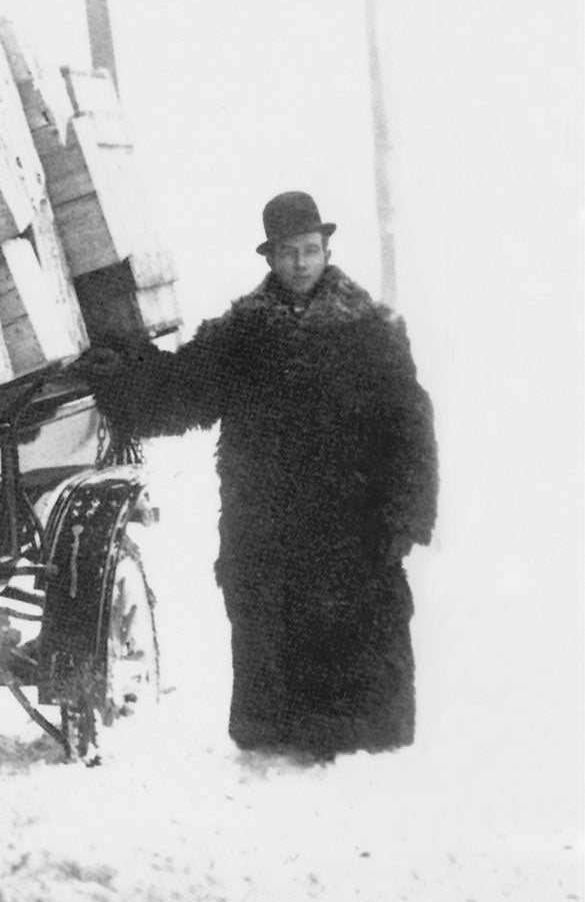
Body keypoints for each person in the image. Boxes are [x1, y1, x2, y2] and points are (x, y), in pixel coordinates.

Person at [78, 191, 438, 757]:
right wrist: (124, 371)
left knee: (357, 646)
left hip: (354, 522)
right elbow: (182, 392)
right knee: (278, 637)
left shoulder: (371, 330)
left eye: (311, 250)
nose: (301, 262)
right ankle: (284, 753)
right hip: (269, 525)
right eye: (290, 251)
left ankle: (363, 761)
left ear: (327, 250)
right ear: (270, 257)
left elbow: (410, 425)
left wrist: (406, 513)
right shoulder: (242, 333)